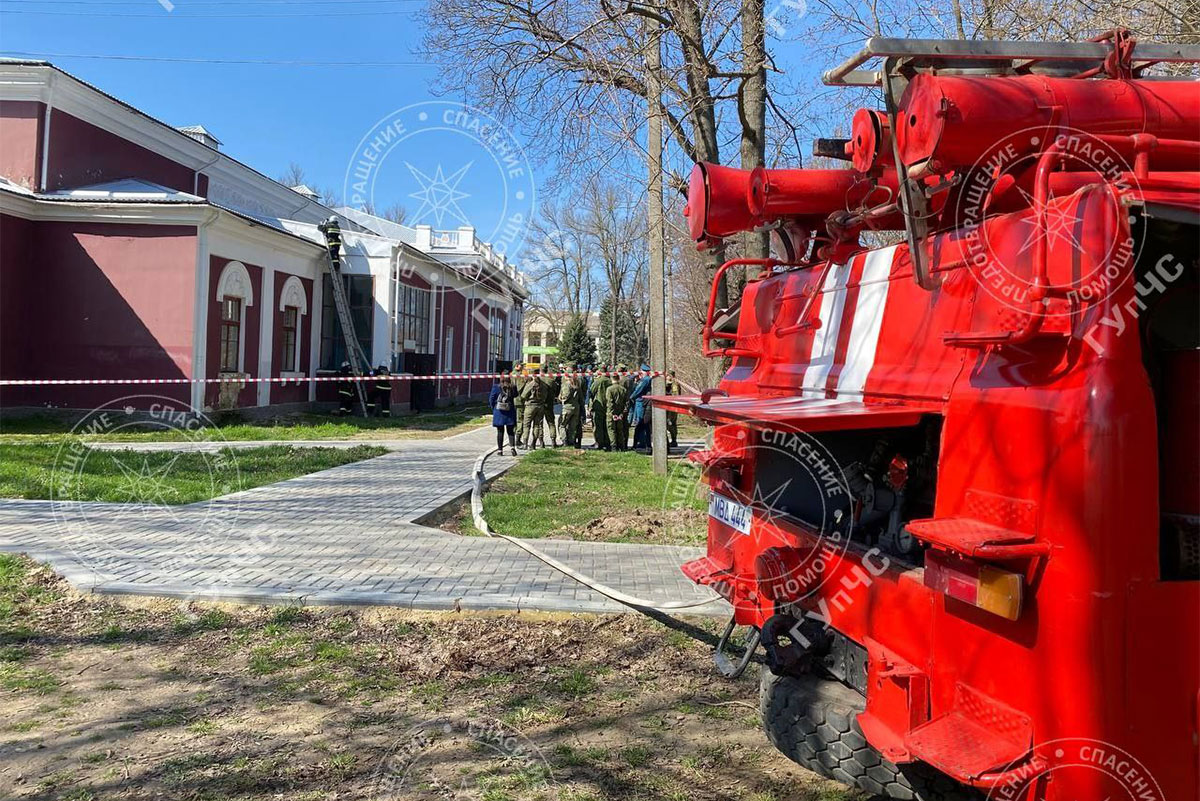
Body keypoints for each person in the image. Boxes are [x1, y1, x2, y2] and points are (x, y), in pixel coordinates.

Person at [489, 375, 519, 455]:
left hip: (499, 412)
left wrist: (494, 408)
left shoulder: (496, 387)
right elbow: (516, 395)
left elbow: (491, 399)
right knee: (510, 431)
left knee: (500, 431)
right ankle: (512, 448)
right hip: (510, 411)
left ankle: (500, 450)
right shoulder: (512, 387)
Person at [520, 367, 548, 449]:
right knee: (537, 425)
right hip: (540, 406)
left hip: (530, 406)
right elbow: (545, 395)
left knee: (526, 425)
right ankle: (534, 443)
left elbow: (523, 395)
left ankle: (525, 443)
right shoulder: (543, 384)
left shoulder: (531, 384)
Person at [557, 362, 582, 448]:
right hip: (576, 407)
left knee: (561, 424)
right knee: (572, 426)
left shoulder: (567, 384)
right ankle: (571, 441)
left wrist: (561, 399)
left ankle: (564, 441)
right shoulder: (577, 383)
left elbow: (566, 396)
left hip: (568, 407)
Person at [629, 364, 654, 451]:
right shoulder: (650, 379)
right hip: (647, 404)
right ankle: (645, 445)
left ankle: (640, 445)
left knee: (641, 425)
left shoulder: (645, 380)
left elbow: (638, 390)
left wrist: (631, 397)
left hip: (643, 404)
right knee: (646, 426)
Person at [606, 366, 631, 451]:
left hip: (611, 413)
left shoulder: (609, 389)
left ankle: (613, 446)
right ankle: (622, 446)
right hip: (620, 412)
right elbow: (626, 401)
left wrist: (612, 413)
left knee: (611, 429)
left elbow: (610, 402)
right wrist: (622, 412)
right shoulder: (623, 389)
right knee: (620, 430)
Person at [589, 365, 612, 451]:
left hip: (599, 406)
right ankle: (608, 442)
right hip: (608, 406)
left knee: (598, 425)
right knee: (607, 425)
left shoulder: (598, 381)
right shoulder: (610, 380)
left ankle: (599, 443)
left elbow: (591, 391)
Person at [543, 367, 560, 447]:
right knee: (551, 423)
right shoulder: (551, 381)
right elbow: (556, 392)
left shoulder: (537, 379)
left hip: (540, 404)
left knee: (538, 424)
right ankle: (553, 441)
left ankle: (541, 442)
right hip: (549, 404)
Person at [514, 366, 529, 447]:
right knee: (520, 420)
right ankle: (517, 439)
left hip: (512, 401)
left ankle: (513, 438)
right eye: (521, 365)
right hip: (519, 401)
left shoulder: (510, 375)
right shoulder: (519, 376)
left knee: (515, 420)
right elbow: (519, 388)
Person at [665, 369, 680, 447]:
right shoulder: (668, 383)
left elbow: (675, 394)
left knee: (670, 423)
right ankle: (673, 440)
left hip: (672, 406)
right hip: (669, 406)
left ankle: (674, 440)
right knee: (670, 423)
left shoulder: (674, 384)